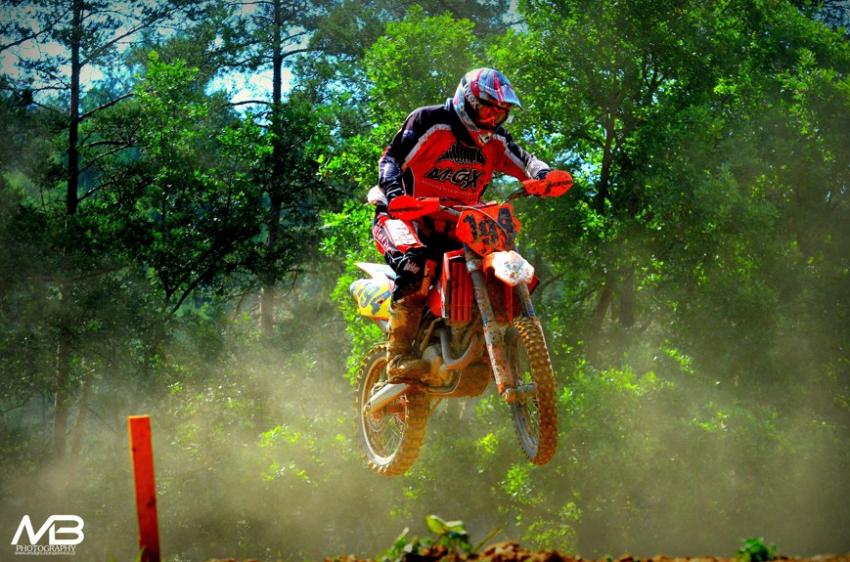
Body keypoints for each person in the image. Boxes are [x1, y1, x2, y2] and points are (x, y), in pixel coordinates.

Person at [373, 67, 568, 383]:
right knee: (415, 264)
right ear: (467, 101)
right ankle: (397, 357)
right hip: (404, 215)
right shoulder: (429, 122)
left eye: (500, 113)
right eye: (487, 109)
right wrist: (395, 194)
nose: (492, 118)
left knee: (493, 257)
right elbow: (391, 158)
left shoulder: (495, 139)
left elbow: (526, 161)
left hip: (457, 221)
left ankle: (473, 338)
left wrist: (544, 177)